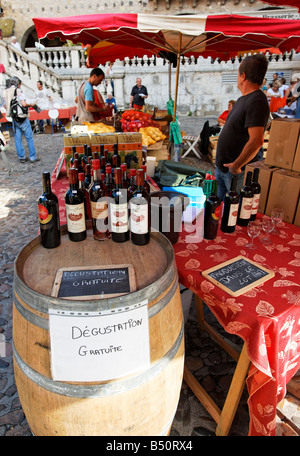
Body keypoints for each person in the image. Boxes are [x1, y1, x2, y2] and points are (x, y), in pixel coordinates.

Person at [215, 54, 269, 201]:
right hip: (223, 169)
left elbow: (257, 141)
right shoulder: (243, 99)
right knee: (219, 212)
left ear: (243, 76)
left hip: (234, 172)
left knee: (233, 214)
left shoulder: (257, 101)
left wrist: (236, 165)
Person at [3, 76, 40, 163]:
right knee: (29, 137)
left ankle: (21, 157)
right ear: (17, 84)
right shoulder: (18, 91)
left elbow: (5, 105)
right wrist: (31, 104)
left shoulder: (5, 91)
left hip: (13, 117)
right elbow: (23, 104)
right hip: (21, 117)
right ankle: (32, 157)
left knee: (17, 138)